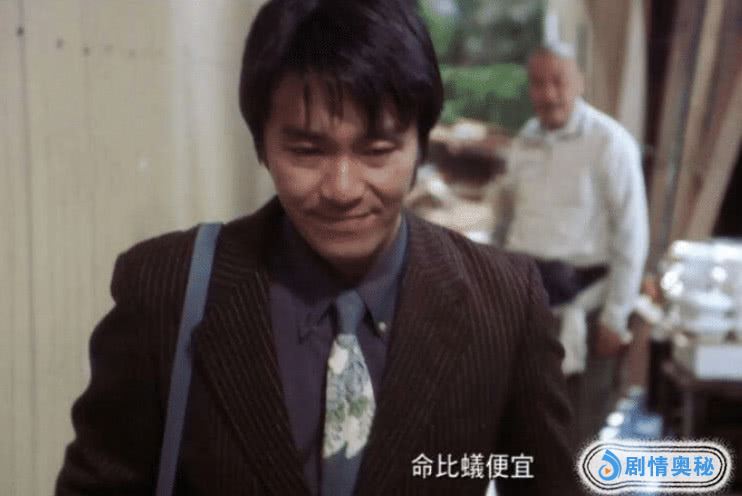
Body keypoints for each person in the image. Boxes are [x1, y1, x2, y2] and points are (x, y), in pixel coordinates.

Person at [56, 1, 579, 494]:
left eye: (377, 150)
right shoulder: (166, 292)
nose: (343, 188)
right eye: (307, 151)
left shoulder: (504, 304)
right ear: (262, 143)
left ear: (420, 144)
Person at [497, 42, 649, 446]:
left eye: (558, 82)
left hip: (589, 308)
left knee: (578, 436)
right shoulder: (525, 141)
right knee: (526, 431)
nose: (548, 94)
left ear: (580, 82)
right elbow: (506, 220)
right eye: (538, 83)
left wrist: (616, 316)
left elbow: (632, 235)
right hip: (528, 309)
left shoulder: (609, 142)